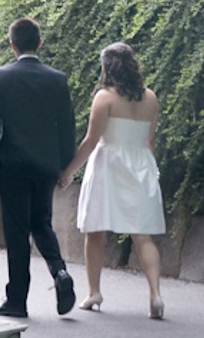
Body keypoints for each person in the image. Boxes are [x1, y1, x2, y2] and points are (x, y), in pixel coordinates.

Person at [58, 42, 167, 319]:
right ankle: (155, 294)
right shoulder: (151, 98)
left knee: (95, 230)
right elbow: (149, 142)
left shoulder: (104, 98)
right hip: (140, 163)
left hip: (108, 164)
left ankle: (94, 292)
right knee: (143, 234)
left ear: (107, 67)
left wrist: (68, 170)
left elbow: (91, 141)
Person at [0, 17, 78, 317]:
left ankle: (17, 300)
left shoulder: (1, 77)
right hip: (46, 165)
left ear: (12, 44)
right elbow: (67, 127)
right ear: (40, 42)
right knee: (41, 222)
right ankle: (60, 272)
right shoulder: (57, 79)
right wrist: (63, 166)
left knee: (17, 231)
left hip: (13, 166)